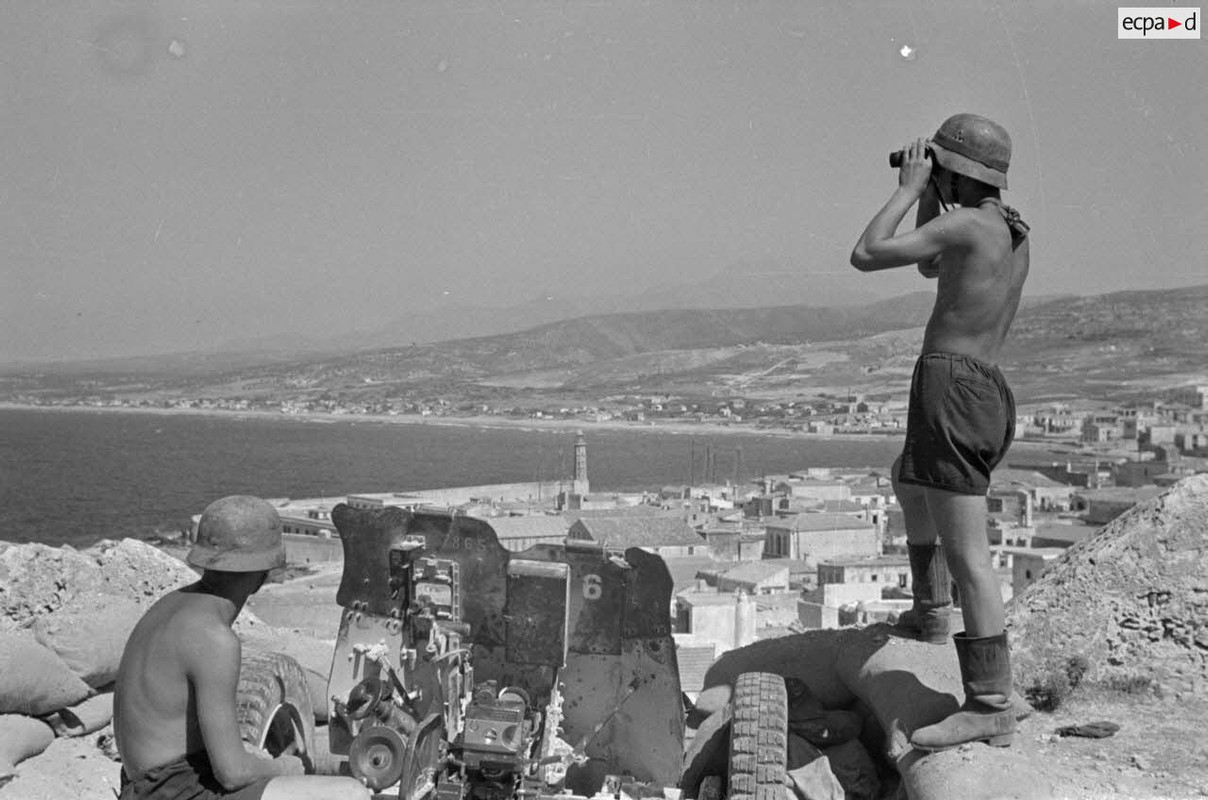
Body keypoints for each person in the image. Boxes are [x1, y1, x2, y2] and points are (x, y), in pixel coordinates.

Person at [850, 113, 1030, 751]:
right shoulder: (1006, 229)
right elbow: (933, 270)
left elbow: (867, 254)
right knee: (909, 479)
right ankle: (931, 616)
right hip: (981, 387)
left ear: (953, 169)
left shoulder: (963, 224)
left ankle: (988, 703)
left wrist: (907, 189)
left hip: (951, 388)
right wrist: (936, 189)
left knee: (969, 556)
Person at [113, 495, 370, 800]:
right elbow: (232, 774)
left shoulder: (169, 606)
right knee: (349, 794)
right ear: (264, 573)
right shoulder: (214, 637)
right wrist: (286, 767)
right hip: (171, 792)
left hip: (144, 784)